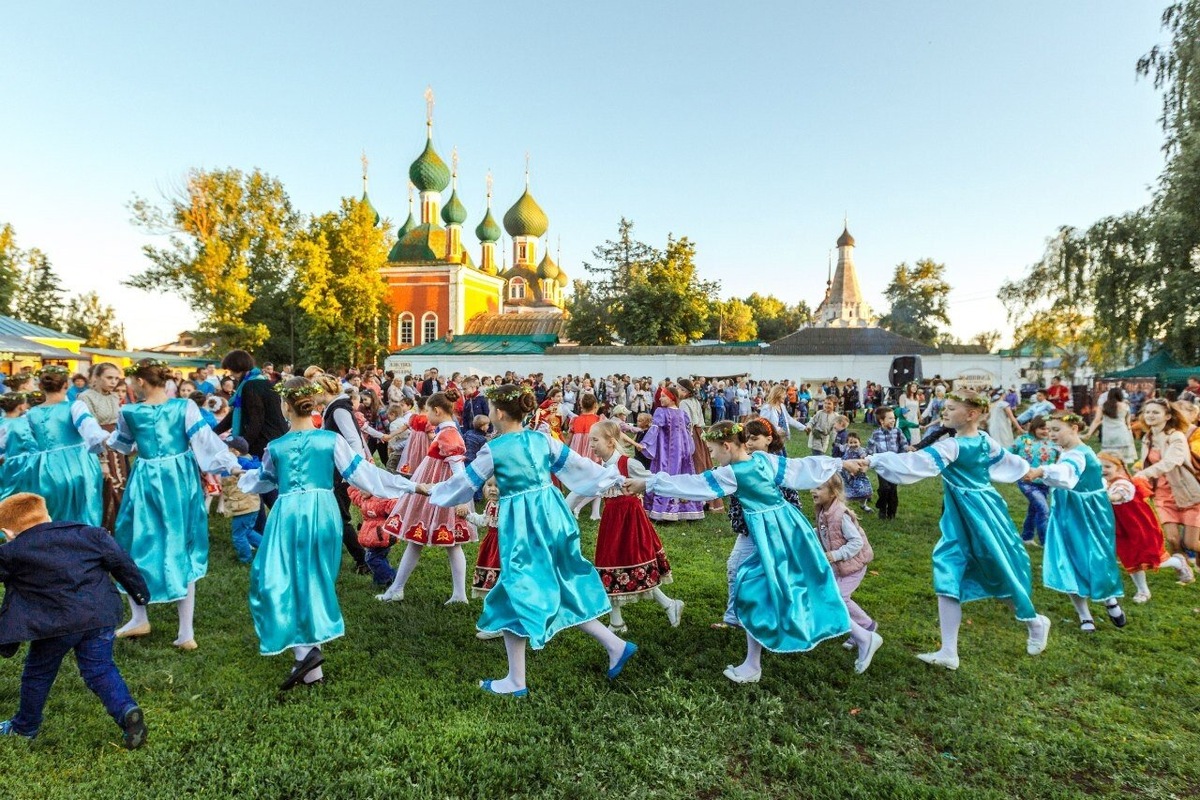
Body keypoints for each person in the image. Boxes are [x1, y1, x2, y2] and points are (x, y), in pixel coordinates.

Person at [627, 421, 881, 682]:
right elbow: (801, 467)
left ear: (727, 446)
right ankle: (756, 663)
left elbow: (694, 484)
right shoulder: (761, 459)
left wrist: (648, 484)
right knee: (776, 588)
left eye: (713, 451)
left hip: (776, 535)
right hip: (787, 528)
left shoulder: (732, 473)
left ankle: (756, 664)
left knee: (765, 589)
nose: (712, 457)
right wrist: (839, 463)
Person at [425, 383, 636, 697]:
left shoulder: (493, 449)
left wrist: (430, 492)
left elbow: (464, 483)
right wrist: (616, 478)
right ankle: (615, 645)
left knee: (516, 588)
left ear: (497, 412)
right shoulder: (541, 439)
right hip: (551, 516)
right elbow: (580, 467)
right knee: (556, 584)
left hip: (523, 524)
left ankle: (515, 681)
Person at [238, 378, 416, 689]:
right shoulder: (329, 442)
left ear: (285, 406)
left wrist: (240, 475)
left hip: (290, 514)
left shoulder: (276, 447)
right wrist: (411, 485)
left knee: (279, 579)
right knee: (312, 580)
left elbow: (263, 481)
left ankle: (303, 655)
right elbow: (365, 475)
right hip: (324, 513)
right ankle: (312, 671)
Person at [864, 390, 1051, 670]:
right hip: (965, 515)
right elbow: (1008, 463)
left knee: (998, 569)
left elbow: (916, 463)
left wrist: (872, 460)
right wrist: (1026, 469)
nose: (945, 412)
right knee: (948, 568)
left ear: (972, 415)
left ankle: (1034, 621)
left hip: (982, 515)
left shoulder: (957, 446)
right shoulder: (975, 441)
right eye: (946, 407)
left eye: (952, 408)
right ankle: (948, 651)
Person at [108, 359, 241, 650]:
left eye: (131, 381)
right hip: (179, 479)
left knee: (136, 541)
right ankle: (185, 632)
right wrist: (230, 464)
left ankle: (140, 616)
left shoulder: (128, 411)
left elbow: (123, 444)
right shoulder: (185, 407)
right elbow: (204, 442)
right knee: (182, 544)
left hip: (145, 479)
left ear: (140, 382)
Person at [0, 493, 150, 748]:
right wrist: (139, 593)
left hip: (52, 625)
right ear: (46, 515)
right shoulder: (89, 534)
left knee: (38, 673)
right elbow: (122, 563)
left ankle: (24, 727)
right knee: (100, 669)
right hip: (99, 616)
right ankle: (126, 711)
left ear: (7, 532)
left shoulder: (11, 552)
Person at [567, 420, 682, 633]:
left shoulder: (628, 464)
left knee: (634, 562)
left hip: (630, 521)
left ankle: (627, 618)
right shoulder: (600, 468)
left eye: (595, 440)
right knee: (609, 564)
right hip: (612, 522)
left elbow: (652, 482)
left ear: (610, 442)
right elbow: (581, 490)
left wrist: (677, 493)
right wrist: (562, 510)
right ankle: (620, 620)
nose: (591, 444)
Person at [1026, 413, 1126, 633]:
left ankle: (1109, 598)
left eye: (1056, 429)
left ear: (1074, 428)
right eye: (1049, 430)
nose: (1051, 434)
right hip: (1067, 512)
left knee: (1097, 557)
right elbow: (1062, 477)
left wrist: (1042, 470)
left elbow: (1067, 473)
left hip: (1090, 513)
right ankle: (1084, 615)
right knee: (1067, 559)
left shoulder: (1080, 454)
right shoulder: (1066, 452)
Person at [376, 392, 476, 604]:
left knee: (428, 541)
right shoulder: (447, 431)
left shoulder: (448, 434)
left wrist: (459, 500)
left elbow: (458, 471)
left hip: (438, 491)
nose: (427, 415)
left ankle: (399, 588)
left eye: (428, 411)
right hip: (437, 489)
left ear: (437, 411)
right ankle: (455, 593)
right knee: (435, 542)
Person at [0, 365, 107, 525]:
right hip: (78, 463)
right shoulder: (75, 406)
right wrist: (103, 453)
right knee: (84, 513)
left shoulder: (31, 413)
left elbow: (22, 444)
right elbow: (92, 433)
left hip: (45, 470)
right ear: (67, 385)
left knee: (52, 515)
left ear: (41, 387)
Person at [1097, 452, 1194, 603]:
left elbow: (1119, 495)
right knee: (1130, 559)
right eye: (1100, 466)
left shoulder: (1123, 483)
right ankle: (1143, 591)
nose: (1103, 469)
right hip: (1120, 529)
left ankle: (1177, 562)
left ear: (1119, 467)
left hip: (1140, 527)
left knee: (1151, 557)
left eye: (1107, 466)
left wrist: (1108, 497)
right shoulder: (1103, 482)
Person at [311, 375, 372, 575]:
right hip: (337, 470)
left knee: (339, 517)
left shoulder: (338, 410)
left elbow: (355, 441)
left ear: (324, 390)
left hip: (342, 473)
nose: (312, 395)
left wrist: (353, 473)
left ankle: (363, 559)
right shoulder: (334, 408)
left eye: (315, 390)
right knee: (335, 515)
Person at [811, 474, 877, 647]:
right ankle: (849, 627)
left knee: (840, 597)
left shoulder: (840, 514)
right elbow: (825, 531)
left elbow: (857, 542)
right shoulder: (823, 509)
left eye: (818, 488)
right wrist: (810, 534)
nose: (812, 491)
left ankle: (867, 627)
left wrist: (835, 555)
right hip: (840, 565)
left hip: (854, 564)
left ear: (833, 493)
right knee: (829, 593)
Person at [1133, 399, 1200, 562]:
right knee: (1172, 540)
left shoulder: (1176, 436)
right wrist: (1140, 472)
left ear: (1168, 416)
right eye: (1147, 412)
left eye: (1155, 412)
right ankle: (1184, 571)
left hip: (1186, 491)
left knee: (1190, 543)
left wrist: (1144, 474)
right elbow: (1145, 461)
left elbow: (1171, 461)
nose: (1150, 415)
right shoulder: (1147, 437)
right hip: (1162, 494)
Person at [641, 385, 705, 522]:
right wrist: (688, 449)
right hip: (681, 453)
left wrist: (645, 444)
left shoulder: (661, 412)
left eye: (663, 396)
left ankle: (664, 511)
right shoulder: (682, 414)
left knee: (665, 476)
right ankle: (685, 509)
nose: (660, 398)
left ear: (672, 398)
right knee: (681, 477)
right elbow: (688, 433)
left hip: (667, 454)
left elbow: (654, 430)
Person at [80, 363, 127, 532]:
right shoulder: (85, 397)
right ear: (97, 378)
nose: (113, 382)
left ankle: (121, 532)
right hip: (98, 447)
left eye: (116, 378)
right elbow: (89, 431)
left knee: (121, 485)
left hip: (117, 447)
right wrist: (102, 459)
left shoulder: (114, 397)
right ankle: (103, 532)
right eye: (109, 378)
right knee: (106, 488)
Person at [1010, 417, 1060, 545]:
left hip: (1044, 483)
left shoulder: (1053, 443)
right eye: (1042, 428)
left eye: (1049, 429)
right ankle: (1047, 543)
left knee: (1034, 509)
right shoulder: (1023, 440)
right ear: (1034, 427)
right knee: (1043, 510)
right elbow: (1007, 453)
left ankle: (1027, 537)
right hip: (1027, 482)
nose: (1046, 432)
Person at [220, 436, 263, 564]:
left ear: (236, 453)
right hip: (252, 506)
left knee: (238, 535)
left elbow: (227, 475)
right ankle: (267, 548)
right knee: (248, 532)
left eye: (228, 449)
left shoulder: (238, 465)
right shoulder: (251, 462)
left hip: (243, 507)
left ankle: (246, 560)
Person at [867, 408, 906, 520]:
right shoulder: (876, 434)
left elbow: (903, 445)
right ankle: (882, 509)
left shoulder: (897, 432)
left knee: (892, 490)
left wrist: (903, 456)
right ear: (881, 421)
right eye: (890, 418)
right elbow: (870, 449)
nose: (893, 420)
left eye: (894, 418)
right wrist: (866, 458)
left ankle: (891, 513)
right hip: (882, 467)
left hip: (894, 466)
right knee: (884, 488)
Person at [1086, 387, 1137, 464]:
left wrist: (1089, 433)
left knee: (1108, 458)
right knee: (1123, 460)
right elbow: (1127, 423)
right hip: (1122, 432)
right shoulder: (1125, 406)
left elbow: (1096, 421)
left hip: (1108, 434)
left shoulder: (1103, 406)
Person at [840, 431, 873, 513]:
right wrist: (837, 445)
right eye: (850, 442)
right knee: (845, 490)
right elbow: (841, 448)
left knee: (864, 490)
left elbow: (863, 457)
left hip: (858, 474)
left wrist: (863, 458)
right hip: (847, 474)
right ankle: (843, 507)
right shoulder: (847, 448)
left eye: (855, 442)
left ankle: (863, 505)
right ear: (847, 443)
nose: (853, 444)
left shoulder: (860, 450)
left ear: (860, 442)